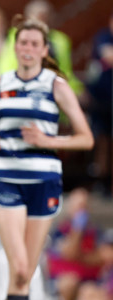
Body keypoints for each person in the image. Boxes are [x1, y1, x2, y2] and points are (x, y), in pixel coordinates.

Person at [0, 15, 94, 300]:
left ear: (43, 50)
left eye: (33, 44)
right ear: (15, 47)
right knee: (21, 268)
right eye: (21, 43)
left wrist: (48, 141)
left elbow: (85, 137)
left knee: (24, 275)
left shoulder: (57, 86)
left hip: (45, 180)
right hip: (6, 177)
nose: (26, 49)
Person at [46, 187, 102, 300]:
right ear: (70, 208)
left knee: (90, 292)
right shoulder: (60, 230)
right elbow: (70, 253)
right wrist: (77, 230)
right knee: (69, 283)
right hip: (63, 280)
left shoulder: (95, 232)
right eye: (78, 206)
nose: (81, 211)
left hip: (90, 280)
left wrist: (80, 256)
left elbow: (102, 257)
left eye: (83, 206)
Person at [0, 1, 84, 95]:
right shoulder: (18, 36)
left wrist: (76, 90)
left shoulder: (60, 41)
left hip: (54, 89)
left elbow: (66, 73)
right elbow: (5, 68)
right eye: (40, 17)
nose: (43, 23)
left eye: (47, 17)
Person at [69, 228, 113, 300]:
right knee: (87, 294)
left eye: (107, 248)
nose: (103, 251)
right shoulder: (107, 268)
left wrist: (96, 298)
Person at [85, 12, 113, 193]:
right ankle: (100, 180)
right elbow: (109, 56)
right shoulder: (103, 37)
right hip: (101, 100)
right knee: (102, 140)